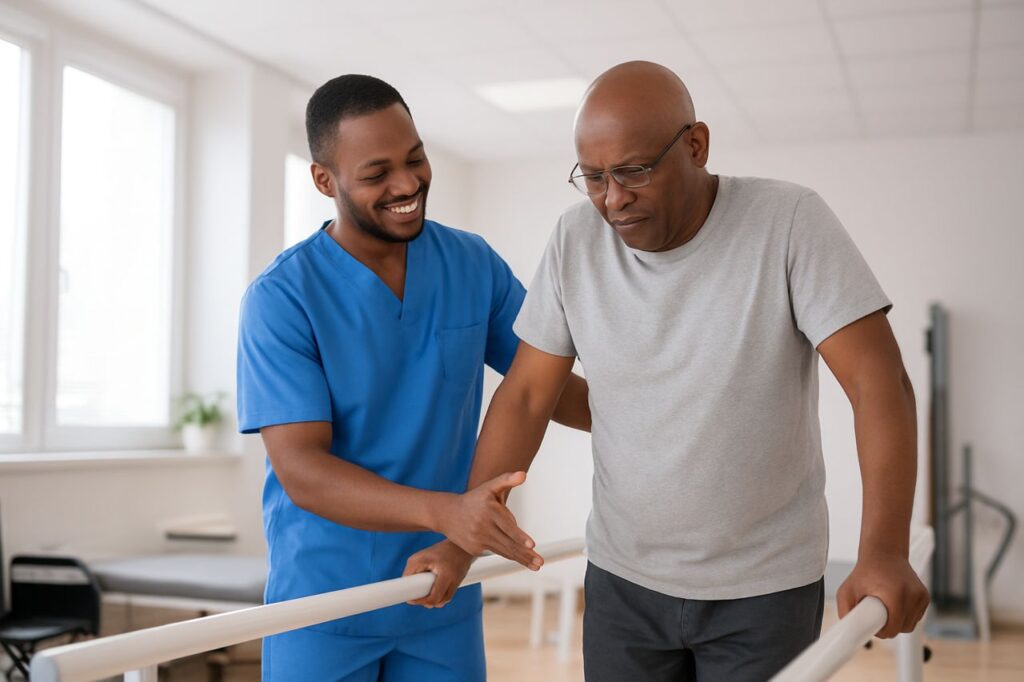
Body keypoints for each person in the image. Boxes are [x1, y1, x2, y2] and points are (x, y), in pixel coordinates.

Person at [415, 61, 930, 680]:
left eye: (633, 171)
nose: (613, 199)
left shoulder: (788, 221)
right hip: (623, 584)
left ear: (696, 145)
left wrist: (883, 550)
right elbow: (527, 395)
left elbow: (880, 386)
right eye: (594, 178)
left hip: (764, 589)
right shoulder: (575, 240)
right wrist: (459, 542)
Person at [236, 74, 590, 682]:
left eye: (416, 159)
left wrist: (662, 417)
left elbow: (543, 385)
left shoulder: (471, 264)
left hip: (441, 592)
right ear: (326, 180)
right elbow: (303, 470)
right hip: (326, 603)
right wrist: (448, 513)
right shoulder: (282, 298)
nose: (407, 185)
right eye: (377, 174)